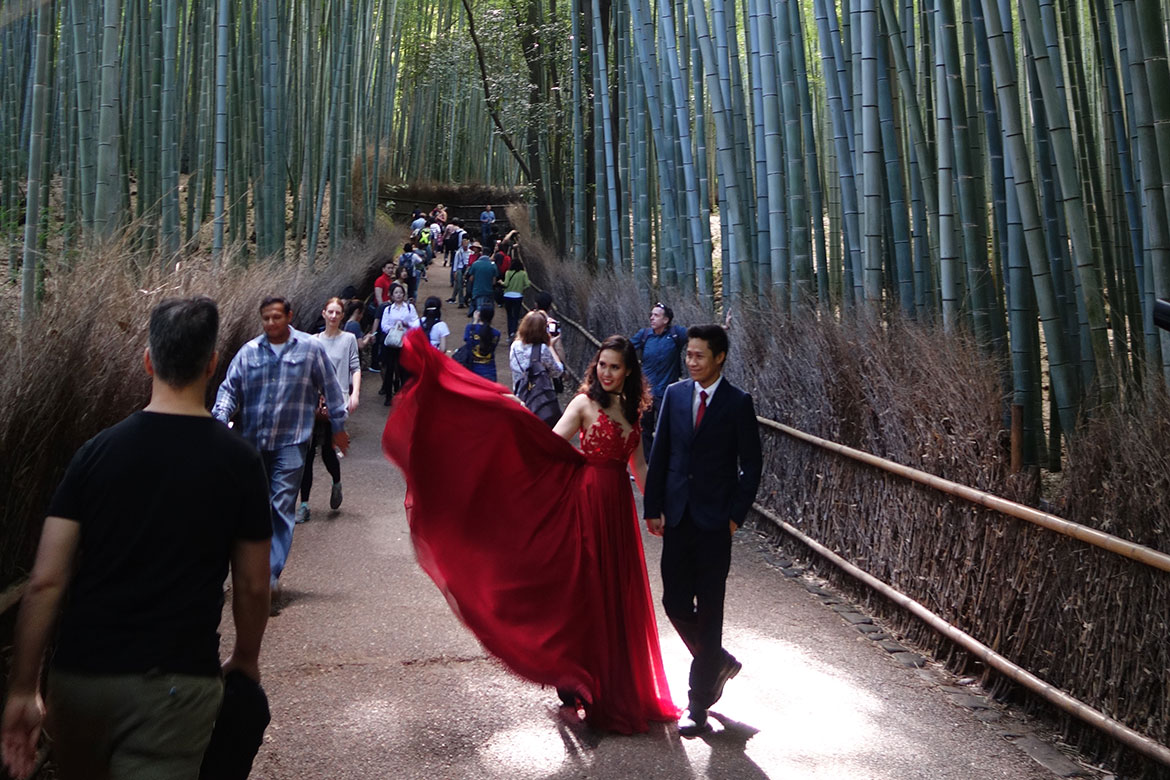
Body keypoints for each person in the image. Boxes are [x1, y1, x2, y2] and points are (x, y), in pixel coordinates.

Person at [1, 297, 272, 780]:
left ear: (148, 359)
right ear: (212, 365)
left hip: (81, 681)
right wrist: (245, 659)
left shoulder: (94, 454)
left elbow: (45, 581)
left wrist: (23, 688)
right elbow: (253, 584)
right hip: (175, 686)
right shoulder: (239, 463)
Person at [382, 329, 677, 734]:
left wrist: (656, 509)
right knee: (587, 591)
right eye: (602, 366)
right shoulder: (583, 405)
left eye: (615, 368)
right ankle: (584, 681)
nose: (606, 373)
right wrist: (513, 416)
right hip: (586, 504)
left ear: (629, 372)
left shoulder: (633, 413)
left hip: (618, 513)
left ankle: (612, 683)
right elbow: (548, 446)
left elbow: (638, 466)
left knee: (615, 592)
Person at [643, 324, 762, 737]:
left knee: (710, 610)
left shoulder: (737, 403)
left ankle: (698, 704)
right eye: (688, 355)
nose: (691, 361)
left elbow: (752, 467)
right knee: (674, 601)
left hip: (715, 524)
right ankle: (718, 660)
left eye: (699, 356)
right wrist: (653, 506)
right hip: (676, 516)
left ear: (720, 357)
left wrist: (735, 516)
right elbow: (660, 454)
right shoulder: (675, 395)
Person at [212, 296, 350, 607]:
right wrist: (219, 421)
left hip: (292, 440)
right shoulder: (249, 352)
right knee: (246, 507)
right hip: (251, 443)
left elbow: (331, 388)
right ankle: (237, 572)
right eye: (266, 319)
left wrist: (338, 428)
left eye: (277, 317)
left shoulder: (310, 349)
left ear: (289, 316)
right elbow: (229, 390)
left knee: (281, 508)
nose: (271, 324)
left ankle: (268, 579)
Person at [296, 298, 362, 524]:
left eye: (337, 313)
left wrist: (354, 394)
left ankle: (336, 482)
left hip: (337, 400)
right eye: (330, 312)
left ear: (342, 316)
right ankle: (304, 505)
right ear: (323, 314)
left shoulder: (349, 339)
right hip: (313, 401)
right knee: (307, 452)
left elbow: (355, 367)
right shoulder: (313, 341)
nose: (333, 316)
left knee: (326, 451)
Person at [631, 302, 688, 455]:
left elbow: (697, 333)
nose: (652, 318)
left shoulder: (676, 334)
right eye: (651, 315)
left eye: (656, 315)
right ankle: (647, 465)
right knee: (644, 428)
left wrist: (722, 327)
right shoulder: (644, 335)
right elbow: (625, 347)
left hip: (667, 393)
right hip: (646, 392)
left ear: (666, 320)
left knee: (668, 429)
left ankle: (665, 463)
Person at [380, 284, 420, 404]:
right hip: (392, 342)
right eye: (396, 293)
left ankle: (404, 393)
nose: (398, 295)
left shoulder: (409, 308)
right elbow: (384, 325)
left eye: (400, 293)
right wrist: (394, 329)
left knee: (404, 368)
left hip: (406, 341)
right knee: (389, 369)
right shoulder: (388, 309)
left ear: (404, 295)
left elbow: (416, 322)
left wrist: (406, 326)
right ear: (392, 295)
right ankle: (388, 395)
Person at [509, 310, 564, 392]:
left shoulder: (515, 345)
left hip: (520, 393)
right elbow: (557, 372)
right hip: (538, 397)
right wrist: (550, 346)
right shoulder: (542, 349)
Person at [462, 306, 500, 382]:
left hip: (472, 370)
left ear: (479, 315)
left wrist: (474, 321)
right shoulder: (496, 333)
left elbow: (468, 341)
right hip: (490, 371)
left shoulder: (470, 328)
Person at [501, 257, 531, 339]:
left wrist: (501, 282)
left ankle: (510, 333)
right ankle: (514, 331)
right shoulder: (523, 273)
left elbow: (506, 284)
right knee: (516, 315)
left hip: (507, 295)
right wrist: (521, 289)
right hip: (518, 296)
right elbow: (528, 284)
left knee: (509, 315)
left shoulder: (508, 272)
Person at [467, 248, 500, 313]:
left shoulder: (475, 264)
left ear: (481, 253)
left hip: (477, 291)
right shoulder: (493, 265)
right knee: (488, 312)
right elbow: (494, 281)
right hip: (489, 292)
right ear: (489, 254)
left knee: (478, 312)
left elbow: (471, 279)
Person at [449, 234, 472, 308]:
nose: (465, 245)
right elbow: (455, 262)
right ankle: (461, 302)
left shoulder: (470, 252)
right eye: (464, 243)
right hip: (460, 268)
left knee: (469, 286)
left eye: (466, 243)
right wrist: (454, 271)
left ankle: (467, 299)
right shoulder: (459, 252)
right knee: (460, 285)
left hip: (468, 268)